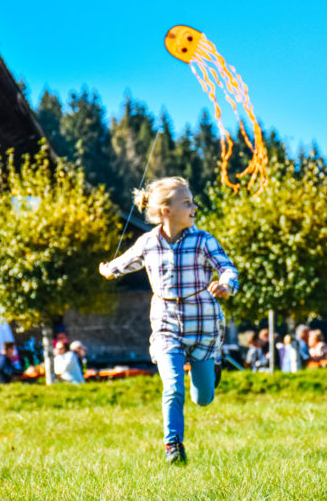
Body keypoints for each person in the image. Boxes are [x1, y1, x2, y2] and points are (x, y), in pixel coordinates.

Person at [99, 176, 238, 465]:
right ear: (166, 211)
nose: (194, 207)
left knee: (204, 398)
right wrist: (108, 270)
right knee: (173, 386)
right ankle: (173, 444)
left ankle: (212, 366)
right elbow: (124, 262)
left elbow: (227, 268)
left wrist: (226, 284)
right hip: (166, 326)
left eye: (192, 201)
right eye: (186, 202)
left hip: (203, 327)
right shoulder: (148, 243)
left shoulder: (203, 240)